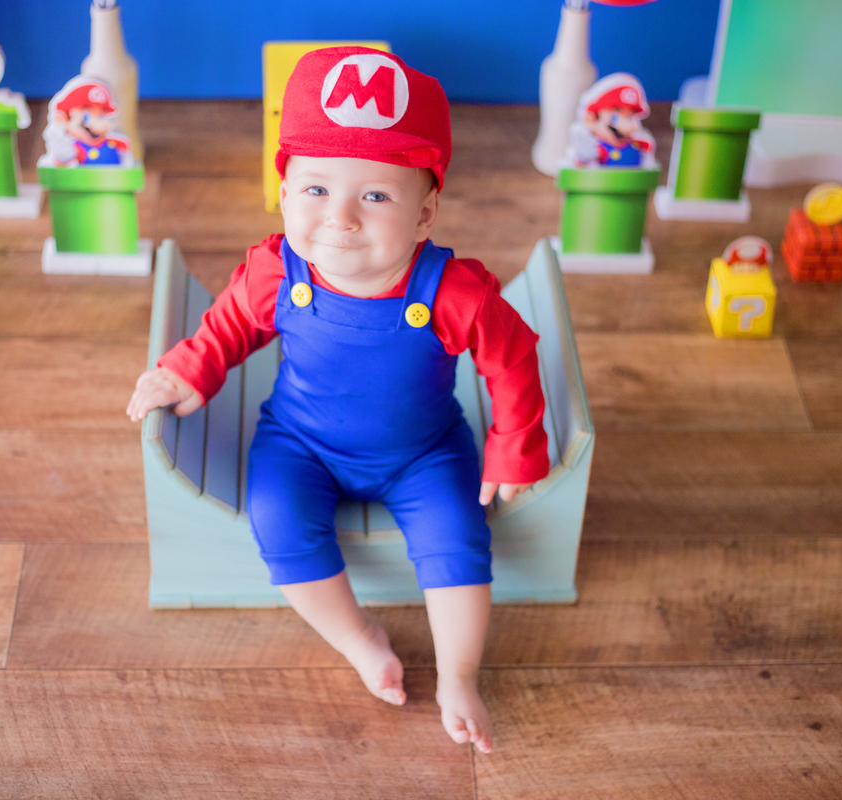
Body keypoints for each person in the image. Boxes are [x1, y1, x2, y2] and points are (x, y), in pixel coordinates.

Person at [126, 47, 549, 754]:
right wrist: (189, 369)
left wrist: (515, 446)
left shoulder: (453, 292)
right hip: (302, 442)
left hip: (425, 451)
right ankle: (358, 638)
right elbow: (230, 324)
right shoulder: (278, 273)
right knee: (277, 520)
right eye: (316, 189)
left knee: (459, 539)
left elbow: (510, 359)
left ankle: (460, 676)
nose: (340, 218)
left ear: (426, 212)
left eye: (375, 196)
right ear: (284, 191)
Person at [565, 72, 656, 169]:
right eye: (616, 112)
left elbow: (649, 166)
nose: (626, 122)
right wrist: (583, 160)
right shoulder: (600, 150)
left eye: (629, 116)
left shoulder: (638, 145)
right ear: (591, 119)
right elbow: (582, 168)